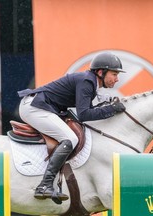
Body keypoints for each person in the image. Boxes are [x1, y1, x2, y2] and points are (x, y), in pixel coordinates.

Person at [18, 52, 126, 202]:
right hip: (35, 107)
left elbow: (87, 112)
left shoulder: (90, 82)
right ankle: (45, 185)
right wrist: (111, 109)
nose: (117, 79)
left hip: (40, 106)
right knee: (70, 138)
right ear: (101, 72)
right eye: (114, 74)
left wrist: (109, 107)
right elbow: (84, 114)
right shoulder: (87, 81)